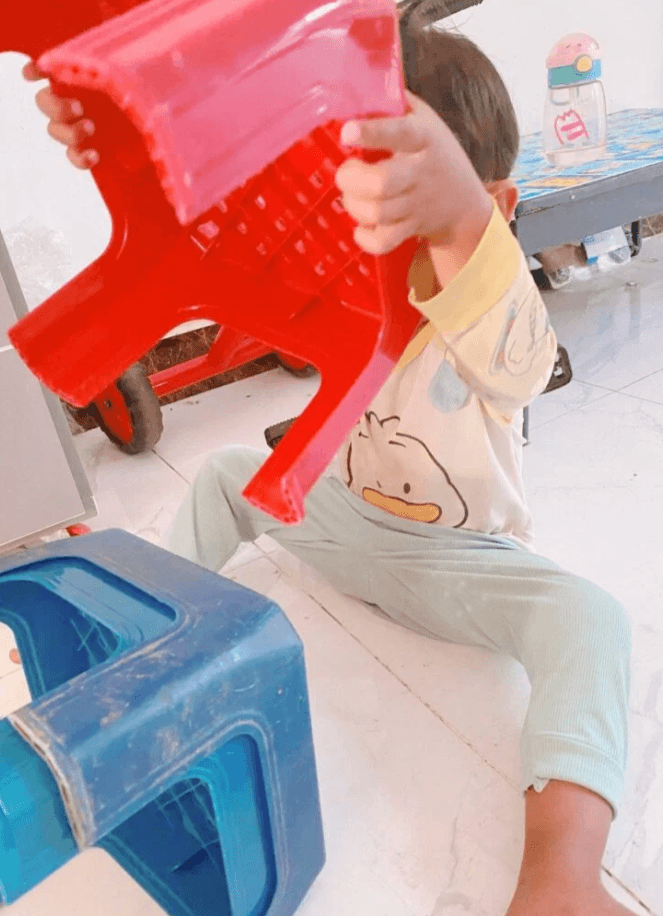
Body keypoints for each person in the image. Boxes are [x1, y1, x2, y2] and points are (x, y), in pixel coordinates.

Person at [24, 19, 634, 916]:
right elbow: (217, 198)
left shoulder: (492, 315)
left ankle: (561, 874)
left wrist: (459, 222)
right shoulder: (332, 274)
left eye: (411, 205)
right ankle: (136, 644)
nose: (373, 237)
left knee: (589, 618)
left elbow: (520, 359)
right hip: (340, 520)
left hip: (460, 561)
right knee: (227, 469)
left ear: (491, 210)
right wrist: (117, 135)